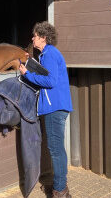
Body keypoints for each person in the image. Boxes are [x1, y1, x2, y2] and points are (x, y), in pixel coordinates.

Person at [19, 21, 73, 198]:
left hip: (54, 108)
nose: (32, 38)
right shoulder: (47, 55)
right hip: (56, 107)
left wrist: (27, 74)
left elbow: (50, 82)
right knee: (58, 150)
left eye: (35, 35)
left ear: (43, 37)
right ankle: (60, 187)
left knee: (56, 151)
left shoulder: (49, 54)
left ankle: (59, 191)